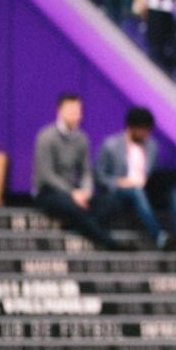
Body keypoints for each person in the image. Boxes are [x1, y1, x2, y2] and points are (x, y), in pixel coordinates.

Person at [32, 94, 118, 250]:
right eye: (71, 110)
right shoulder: (46, 136)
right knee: (73, 206)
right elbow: (46, 174)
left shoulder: (82, 138)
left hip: (74, 192)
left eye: (78, 110)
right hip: (48, 191)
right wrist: (72, 193)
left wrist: (86, 191)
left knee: (110, 202)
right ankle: (109, 242)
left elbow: (86, 170)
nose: (76, 115)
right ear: (59, 112)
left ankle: (72, 223)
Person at [95, 107, 176, 250]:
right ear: (131, 127)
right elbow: (99, 175)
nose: (146, 134)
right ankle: (159, 236)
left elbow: (152, 172)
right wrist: (118, 182)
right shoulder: (111, 145)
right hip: (121, 191)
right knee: (135, 191)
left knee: (173, 193)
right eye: (143, 130)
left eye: (148, 130)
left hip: (146, 189)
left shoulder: (152, 146)